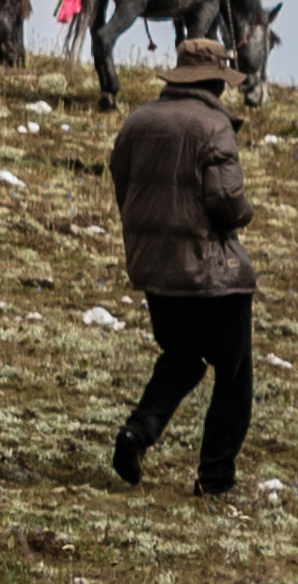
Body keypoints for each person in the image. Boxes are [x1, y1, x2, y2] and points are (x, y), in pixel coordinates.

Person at [105, 31, 256, 494]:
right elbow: (227, 203)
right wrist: (245, 212)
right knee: (233, 377)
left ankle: (138, 431)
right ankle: (215, 477)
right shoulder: (214, 128)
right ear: (216, 84)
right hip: (210, 275)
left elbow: (122, 182)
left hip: (158, 271)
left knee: (183, 358)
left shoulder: (138, 121)